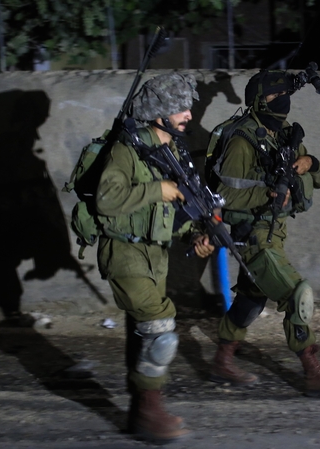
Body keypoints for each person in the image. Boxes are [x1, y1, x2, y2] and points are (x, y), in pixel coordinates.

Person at [208, 69, 320, 397]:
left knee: (250, 298)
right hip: (252, 233)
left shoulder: (284, 133)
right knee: (296, 293)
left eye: (283, 95)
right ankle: (312, 371)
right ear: (259, 101)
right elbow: (222, 194)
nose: (282, 101)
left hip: (275, 232)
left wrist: (310, 162)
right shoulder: (244, 139)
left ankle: (222, 361)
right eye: (274, 97)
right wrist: (267, 195)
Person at [95, 73, 215, 443]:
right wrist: (157, 189)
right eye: (181, 108)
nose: (189, 115)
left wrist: (195, 237)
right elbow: (106, 199)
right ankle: (149, 410)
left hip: (154, 254)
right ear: (159, 112)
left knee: (142, 331)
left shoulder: (170, 152)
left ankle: (139, 409)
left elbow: (171, 211)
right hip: (125, 252)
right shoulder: (126, 150)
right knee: (160, 327)